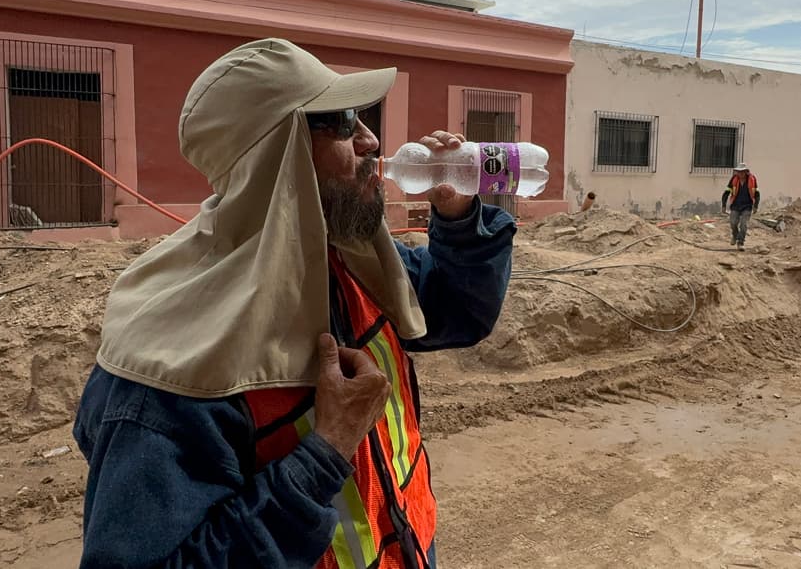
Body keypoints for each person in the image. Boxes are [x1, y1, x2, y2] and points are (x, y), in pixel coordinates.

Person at [72, 38, 515, 569]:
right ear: (276, 156)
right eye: (341, 122)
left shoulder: (349, 260)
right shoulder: (166, 367)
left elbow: (455, 313)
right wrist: (323, 454)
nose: (372, 140)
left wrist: (460, 218)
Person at [721, 162, 760, 250]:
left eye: (742, 171)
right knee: (733, 223)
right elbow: (726, 192)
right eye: (738, 171)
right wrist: (723, 205)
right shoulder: (734, 180)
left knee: (743, 224)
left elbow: (757, 193)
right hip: (735, 205)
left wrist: (756, 206)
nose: (740, 173)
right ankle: (735, 235)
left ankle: (740, 242)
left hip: (747, 206)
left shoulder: (752, 179)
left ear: (746, 172)